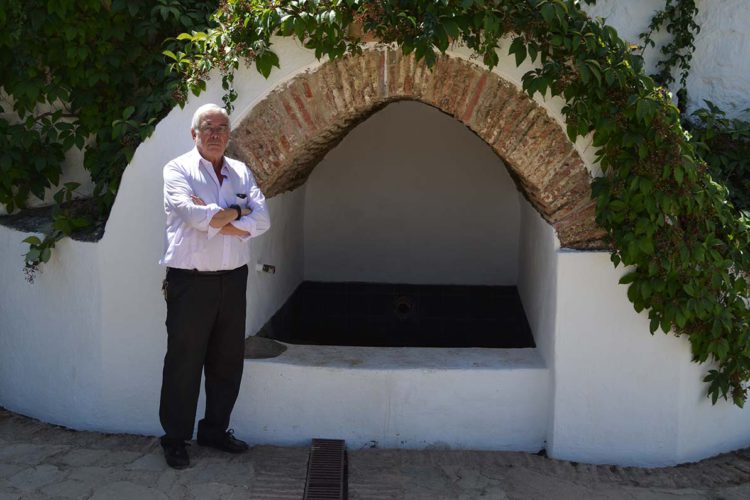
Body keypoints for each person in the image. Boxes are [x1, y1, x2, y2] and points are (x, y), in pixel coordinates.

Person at [158, 103, 271, 469]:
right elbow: (192, 216)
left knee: (227, 361)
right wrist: (239, 215)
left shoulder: (240, 171)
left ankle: (215, 430)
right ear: (194, 133)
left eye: (222, 128)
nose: (215, 134)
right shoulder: (178, 170)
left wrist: (222, 215)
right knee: (184, 363)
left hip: (233, 278)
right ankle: (175, 438)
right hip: (190, 282)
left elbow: (263, 219)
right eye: (208, 127)